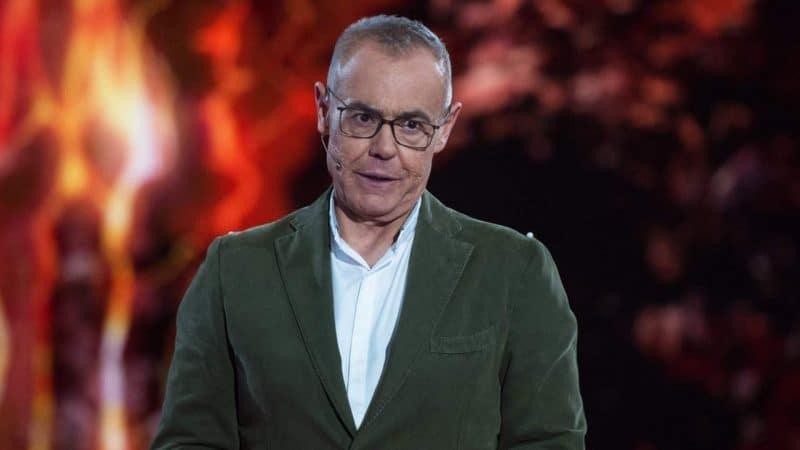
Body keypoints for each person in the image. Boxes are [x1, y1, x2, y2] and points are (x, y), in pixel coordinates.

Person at [151, 15, 586, 449]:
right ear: (324, 111)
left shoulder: (515, 272)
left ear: (444, 130)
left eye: (412, 126)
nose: (384, 148)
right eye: (363, 118)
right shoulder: (234, 270)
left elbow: (549, 443)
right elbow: (189, 442)